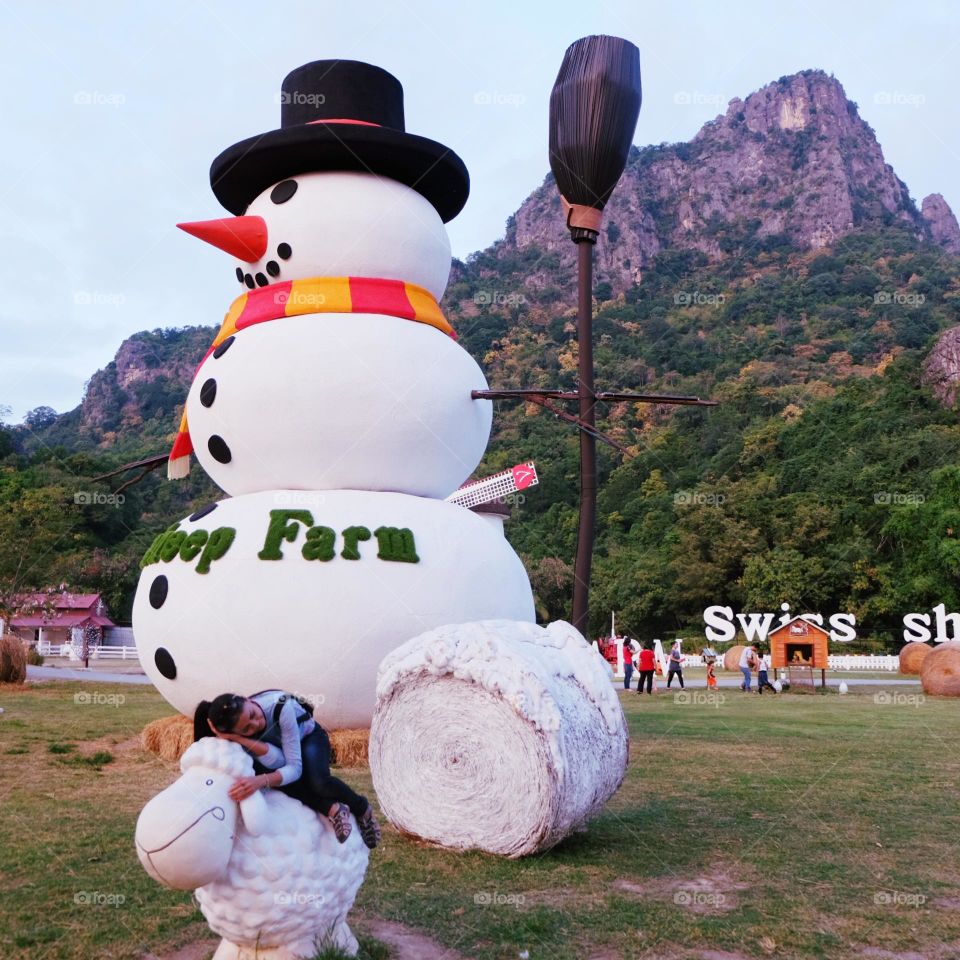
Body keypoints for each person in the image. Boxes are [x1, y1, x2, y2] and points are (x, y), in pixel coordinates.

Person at [194, 690, 380, 848]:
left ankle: (362, 808)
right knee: (280, 781)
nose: (256, 724)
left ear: (248, 700)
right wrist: (241, 741)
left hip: (308, 737)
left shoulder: (281, 706)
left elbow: (294, 768)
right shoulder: (239, 737)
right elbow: (279, 762)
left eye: (252, 715)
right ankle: (332, 809)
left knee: (319, 782)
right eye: (246, 729)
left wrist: (260, 781)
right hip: (280, 749)